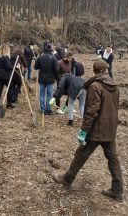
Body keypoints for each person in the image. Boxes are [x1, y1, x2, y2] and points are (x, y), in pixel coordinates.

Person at [52, 60, 123, 202]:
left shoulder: (95, 86)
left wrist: (83, 131)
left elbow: (91, 112)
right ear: (106, 70)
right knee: (113, 159)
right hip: (110, 128)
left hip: (96, 130)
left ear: (94, 71)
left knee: (81, 155)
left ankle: (67, 179)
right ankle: (117, 190)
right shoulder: (115, 87)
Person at [34, 44, 59, 115]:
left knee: (42, 94)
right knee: (49, 95)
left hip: (42, 79)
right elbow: (56, 70)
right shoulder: (53, 58)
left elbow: (35, 67)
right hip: (50, 80)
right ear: (51, 50)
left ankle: (42, 109)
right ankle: (48, 109)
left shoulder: (40, 57)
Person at [0, 44, 15, 110]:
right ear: (6, 50)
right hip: (5, 76)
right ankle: (9, 103)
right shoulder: (6, 57)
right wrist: (14, 67)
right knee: (10, 89)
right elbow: (8, 66)